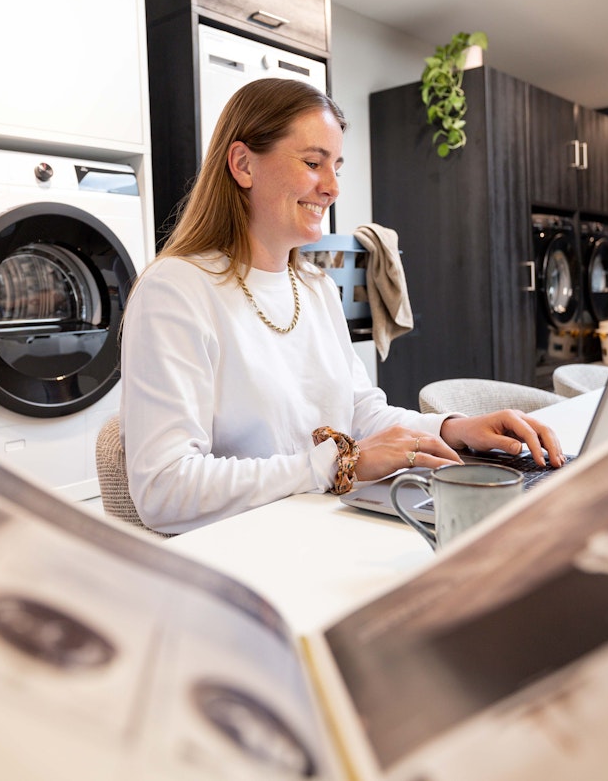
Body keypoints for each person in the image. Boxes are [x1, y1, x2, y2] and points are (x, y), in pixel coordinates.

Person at [119, 78, 564, 535]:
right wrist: (337, 463)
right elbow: (164, 489)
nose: (331, 187)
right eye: (313, 163)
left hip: (324, 527)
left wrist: (453, 428)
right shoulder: (176, 290)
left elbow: (359, 413)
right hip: (245, 552)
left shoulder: (315, 288)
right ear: (243, 164)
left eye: (337, 167)